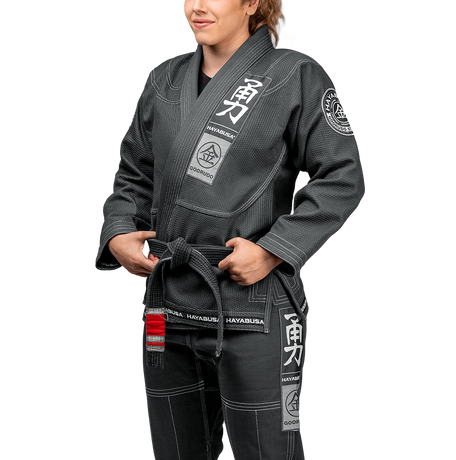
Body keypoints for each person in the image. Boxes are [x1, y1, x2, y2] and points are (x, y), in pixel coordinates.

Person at [93, 0, 367, 458]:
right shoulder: (163, 77)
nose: (197, 7)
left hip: (254, 305)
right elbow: (133, 174)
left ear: (253, 2)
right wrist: (119, 231)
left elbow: (342, 177)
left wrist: (273, 249)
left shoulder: (295, 73)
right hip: (167, 305)